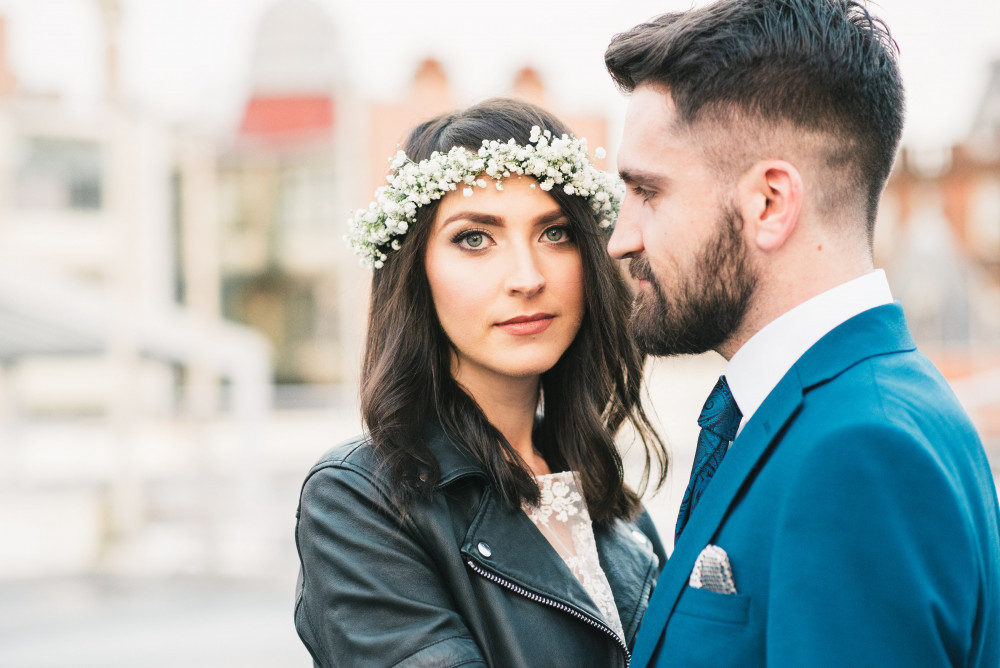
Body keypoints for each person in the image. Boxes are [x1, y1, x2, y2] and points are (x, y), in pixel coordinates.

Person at [603, 1, 1000, 666]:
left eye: (647, 191)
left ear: (769, 203)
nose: (620, 239)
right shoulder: (843, 407)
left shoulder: (860, 453)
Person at [293, 98, 669, 667]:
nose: (527, 278)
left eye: (556, 233)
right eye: (474, 238)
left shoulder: (615, 506)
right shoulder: (362, 501)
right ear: (415, 269)